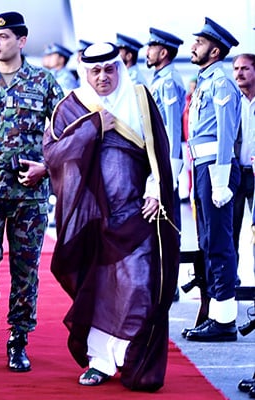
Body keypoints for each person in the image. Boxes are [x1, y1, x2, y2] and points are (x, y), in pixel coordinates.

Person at [43, 41, 179, 391]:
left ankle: (131, 358)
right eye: (95, 71)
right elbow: (54, 155)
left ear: (120, 67)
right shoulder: (71, 106)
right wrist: (93, 128)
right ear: (85, 72)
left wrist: (155, 191)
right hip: (91, 220)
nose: (103, 77)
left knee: (138, 287)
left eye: (109, 69)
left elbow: (160, 154)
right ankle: (101, 361)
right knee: (99, 290)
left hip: (136, 216)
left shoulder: (140, 100)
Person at [0, 11, 63, 373]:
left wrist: (47, 167)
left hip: (29, 192)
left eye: (4, 36)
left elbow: (66, 136)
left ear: (21, 41)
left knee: (26, 269)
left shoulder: (44, 82)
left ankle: (18, 338)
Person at [183, 17, 241, 343]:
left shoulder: (221, 82)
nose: (193, 46)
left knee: (219, 243)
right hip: (202, 166)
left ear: (214, 50)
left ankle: (225, 320)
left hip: (215, 168)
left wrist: (220, 179)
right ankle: (218, 315)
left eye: (200, 43)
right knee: (208, 242)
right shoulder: (207, 79)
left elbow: (225, 133)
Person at [145, 27, 186, 230]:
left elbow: (173, 127)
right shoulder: (160, 79)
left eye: (152, 47)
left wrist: (171, 166)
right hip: (157, 152)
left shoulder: (168, 82)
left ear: (163, 53)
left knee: (168, 218)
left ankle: (171, 260)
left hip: (164, 155)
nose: (147, 51)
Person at [232, 53, 255, 266]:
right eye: (236, 68)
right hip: (236, 173)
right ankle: (231, 283)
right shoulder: (231, 101)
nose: (239, 73)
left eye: (245, 68)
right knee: (231, 229)